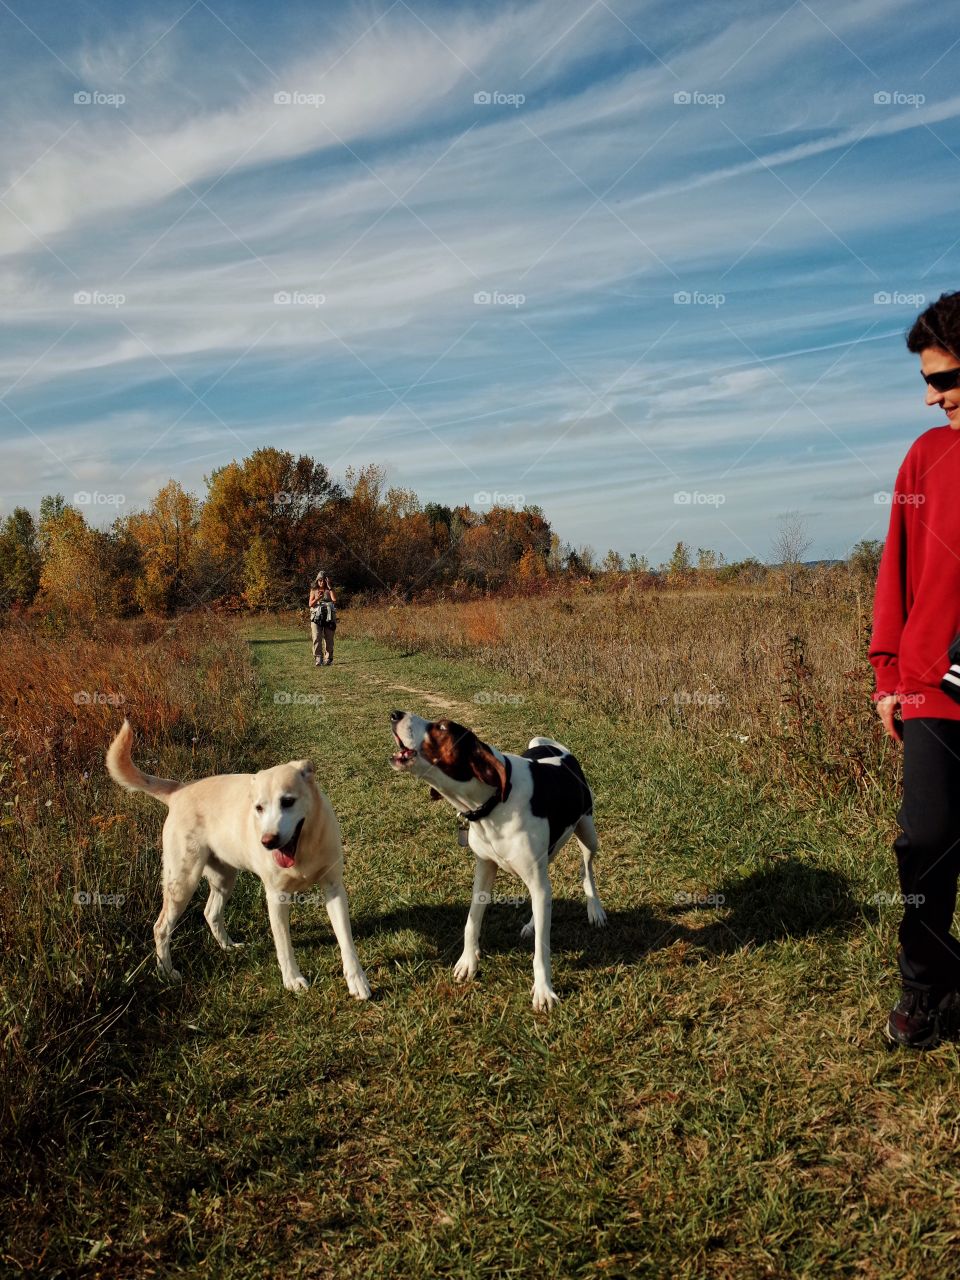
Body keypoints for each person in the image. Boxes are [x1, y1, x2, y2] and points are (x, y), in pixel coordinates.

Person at [871, 290, 960, 1048]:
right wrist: (887, 676)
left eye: (945, 378)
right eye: (927, 382)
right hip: (933, 694)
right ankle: (925, 993)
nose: (932, 398)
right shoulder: (926, 458)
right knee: (925, 845)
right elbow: (895, 573)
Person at [309, 570, 337, 667]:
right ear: (317, 580)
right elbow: (310, 604)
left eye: (323, 580)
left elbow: (334, 600)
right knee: (316, 637)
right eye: (319, 580)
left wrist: (329, 587)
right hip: (316, 617)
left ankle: (328, 659)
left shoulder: (330, 589)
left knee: (329, 638)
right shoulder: (313, 590)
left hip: (329, 617)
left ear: (326, 580)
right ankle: (318, 659)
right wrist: (317, 598)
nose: (321, 582)